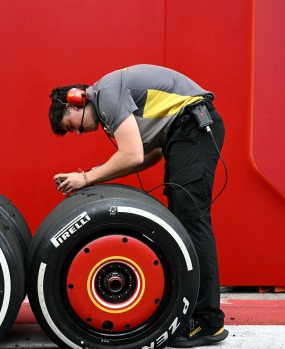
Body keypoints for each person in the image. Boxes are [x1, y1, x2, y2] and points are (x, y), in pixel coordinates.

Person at [48, 64, 227, 347]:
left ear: (77, 99)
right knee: (184, 221)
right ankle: (194, 313)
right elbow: (147, 155)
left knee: (193, 222)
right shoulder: (110, 101)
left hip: (193, 127)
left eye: (73, 125)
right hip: (182, 135)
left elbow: (131, 155)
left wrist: (86, 178)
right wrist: (93, 177)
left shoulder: (106, 93)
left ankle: (207, 322)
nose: (80, 132)